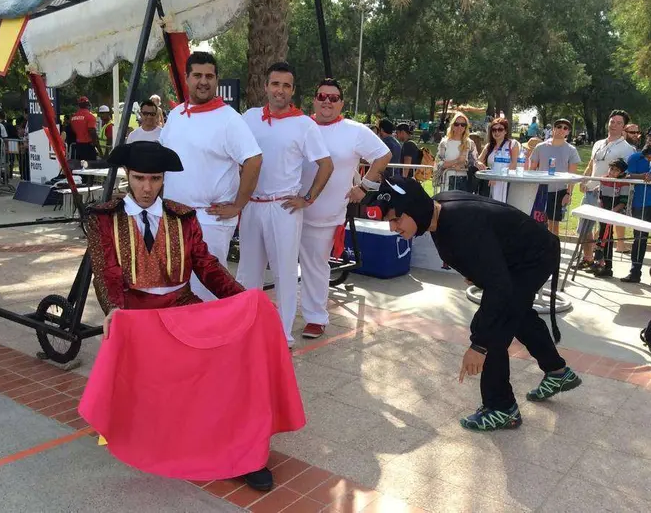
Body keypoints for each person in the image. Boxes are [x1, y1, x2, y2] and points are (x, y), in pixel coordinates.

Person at [85, 141, 284, 491]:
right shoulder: (104, 217)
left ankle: (240, 450)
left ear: (164, 179)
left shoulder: (183, 215)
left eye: (155, 179)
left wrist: (245, 300)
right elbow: (107, 271)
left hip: (181, 306)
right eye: (139, 178)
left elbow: (206, 266)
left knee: (228, 365)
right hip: (136, 316)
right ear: (128, 177)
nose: (147, 188)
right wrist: (114, 309)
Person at [364, 178, 582, 431]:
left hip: (533, 258)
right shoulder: (439, 213)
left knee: (494, 328)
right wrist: (480, 270)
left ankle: (502, 408)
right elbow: (488, 249)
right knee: (517, 315)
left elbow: (498, 288)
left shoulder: (460, 226)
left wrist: (478, 345)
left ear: (414, 208)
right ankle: (557, 372)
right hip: (519, 256)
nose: (393, 227)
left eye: (396, 219)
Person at [238, 62, 333, 348]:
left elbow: (326, 165)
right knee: (247, 272)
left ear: (292, 91)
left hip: (284, 208)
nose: (280, 90)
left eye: (286, 86)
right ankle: (245, 328)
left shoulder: (303, 124)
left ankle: (283, 333)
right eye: (275, 84)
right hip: (252, 206)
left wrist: (308, 198)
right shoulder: (249, 118)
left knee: (285, 272)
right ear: (266, 86)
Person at [160, 51, 263, 301]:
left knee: (206, 291)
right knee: (175, 286)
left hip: (210, 220)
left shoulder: (229, 119)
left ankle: (213, 340)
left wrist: (238, 204)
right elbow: (163, 161)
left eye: (209, 76)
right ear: (186, 78)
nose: (203, 81)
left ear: (217, 80)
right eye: (197, 75)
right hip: (173, 218)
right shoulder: (175, 115)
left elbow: (254, 159)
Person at [299, 78, 391, 339]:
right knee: (281, 265)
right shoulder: (300, 125)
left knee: (316, 265)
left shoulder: (354, 130)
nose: (327, 101)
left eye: (333, 98)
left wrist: (364, 187)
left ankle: (315, 317)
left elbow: (383, 155)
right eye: (322, 96)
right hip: (288, 208)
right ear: (314, 99)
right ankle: (274, 316)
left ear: (341, 103)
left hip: (325, 214)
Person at [576, 110, 636, 272]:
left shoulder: (627, 149)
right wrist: (584, 179)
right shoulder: (598, 143)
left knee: (604, 231)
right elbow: (591, 164)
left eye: (618, 123)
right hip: (590, 191)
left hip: (609, 194)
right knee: (584, 228)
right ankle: (588, 258)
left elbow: (625, 174)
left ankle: (603, 264)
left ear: (623, 127)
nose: (614, 125)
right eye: (612, 121)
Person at [529, 119, 581, 235]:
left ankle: (553, 250)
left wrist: (568, 194)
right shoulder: (540, 147)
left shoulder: (571, 150)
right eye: (559, 126)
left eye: (565, 128)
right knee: (536, 222)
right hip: (540, 190)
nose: (561, 129)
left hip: (559, 191)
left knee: (554, 225)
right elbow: (532, 169)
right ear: (553, 129)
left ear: (568, 132)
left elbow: (572, 175)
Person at [592, 158, 630, 278]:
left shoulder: (624, 183)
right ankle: (600, 264)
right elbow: (600, 196)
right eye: (611, 169)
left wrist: (612, 211)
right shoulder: (604, 179)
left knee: (605, 238)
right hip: (603, 211)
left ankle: (607, 267)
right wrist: (601, 206)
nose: (612, 172)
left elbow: (623, 201)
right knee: (602, 238)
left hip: (613, 213)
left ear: (622, 172)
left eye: (616, 170)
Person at [623, 142, 651, 283]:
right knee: (639, 238)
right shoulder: (635, 157)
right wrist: (644, 176)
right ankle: (635, 272)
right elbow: (628, 176)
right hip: (642, 202)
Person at [436, 112, 478, 192]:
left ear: (466, 127)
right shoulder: (444, 143)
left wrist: (464, 166)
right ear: (452, 125)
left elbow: (474, 163)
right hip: (447, 183)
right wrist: (456, 161)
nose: (459, 127)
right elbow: (439, 164)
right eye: (456, 124)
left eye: (463, 125)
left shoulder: (470, 143)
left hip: (465, 183)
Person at [479, 117, 518, 202]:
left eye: (500, 129)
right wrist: (479, 164)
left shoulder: (512, 144)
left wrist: (497, 176)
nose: (497, 132)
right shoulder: (488, 146)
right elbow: (478, 160)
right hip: (489, 184)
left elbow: (514, 165)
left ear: (505, 131)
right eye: (494, 130)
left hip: (506, 184)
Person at [70, 96, 100, 161]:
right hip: (88, 145)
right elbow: (92, 130)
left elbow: (74, 130)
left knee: (80, 166)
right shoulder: (90, 117)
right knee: (90, 166)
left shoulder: (73, 118)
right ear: (88, 105)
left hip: (78, 146)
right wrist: (95, 143)